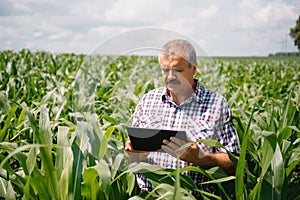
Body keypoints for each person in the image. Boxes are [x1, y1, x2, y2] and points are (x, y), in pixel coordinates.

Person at [125, 39, 240, 198]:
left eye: (177, 70)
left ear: (193, 68)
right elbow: (132, 159)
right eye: (165, 70)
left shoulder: (216, 106)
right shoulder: (147, 101)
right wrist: (134, 154)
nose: (170, 77)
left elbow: (235, 164)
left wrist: (200, 157)